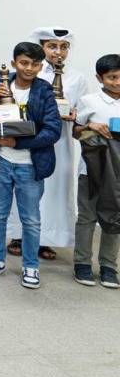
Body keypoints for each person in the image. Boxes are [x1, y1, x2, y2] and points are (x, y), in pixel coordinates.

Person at [0, 43, 62, 289]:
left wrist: (18, 141)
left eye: (36, 64)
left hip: (30, 165)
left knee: (31, 219)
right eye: (24, 63)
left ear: (41, 66)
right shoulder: (0, 83)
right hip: (0, 162)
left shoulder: (44, 90)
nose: (30, 68)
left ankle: (30, 266)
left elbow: (53, 131)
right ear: (14, 63)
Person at [5, 27, 86, 261]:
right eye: (52, 46)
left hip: (60, 142)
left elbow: (82, 109)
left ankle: (46, 240)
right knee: (24, 185)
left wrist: (74, 113)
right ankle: (19, 236)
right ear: (41, 48)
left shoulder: (76, 77)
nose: (58, 52)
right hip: (30, 138)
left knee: (54, 190)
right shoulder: (32, 72)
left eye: (63, 47)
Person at [72, 54, 120, 288]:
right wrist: (89, 125)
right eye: (112, 77)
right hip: (91, 170)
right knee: (88, 216)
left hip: (119, 174)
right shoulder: (89, 101)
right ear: (99, 78)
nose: (118, 82)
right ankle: (82, 263)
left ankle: (109, 266)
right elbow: (75, 132)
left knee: (115, 216)